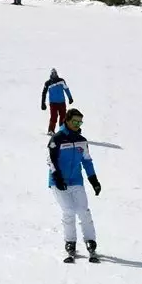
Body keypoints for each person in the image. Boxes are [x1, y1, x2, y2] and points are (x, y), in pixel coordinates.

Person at [47, 108, 101, 261]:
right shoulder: (57, 139)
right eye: (75, 121)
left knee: (83, 210)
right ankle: (70, 242)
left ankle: (90, 241)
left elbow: (87, 161)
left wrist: (94, 180)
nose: (77, 124)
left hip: (76, 180)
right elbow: (50, 159)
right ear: (67, 121)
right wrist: (57, 176)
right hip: (59, 182)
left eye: (80, 122)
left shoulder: (82, 141)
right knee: (69, 210)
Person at [40, 68, 74, 134]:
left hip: (62, 102)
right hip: (53, 103)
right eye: (53, 73)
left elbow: (66, 89)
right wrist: (43, 103)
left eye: (55, 73)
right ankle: (51, 131)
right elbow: (44, 93)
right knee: (54, 117)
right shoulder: (48, 83)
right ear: (51, 74)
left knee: (63, 116)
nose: (54, 74)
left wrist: (70, 98)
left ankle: (62, 131)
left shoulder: (61, 81)